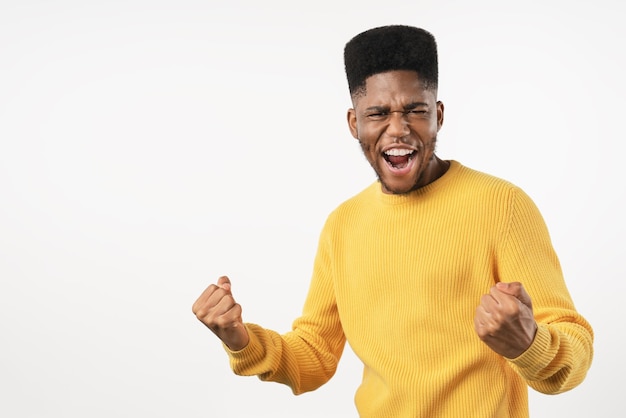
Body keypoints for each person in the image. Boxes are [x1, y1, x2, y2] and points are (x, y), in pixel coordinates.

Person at [192, 25, 594, 417]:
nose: (398, 130)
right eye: (378, 113)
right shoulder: (343, 225)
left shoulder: (502, 205)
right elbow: (314, 355)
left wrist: (529, 344)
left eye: (415, 111)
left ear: (438, 115)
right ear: (354, 123)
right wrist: (241, 339)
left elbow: (573, 354)